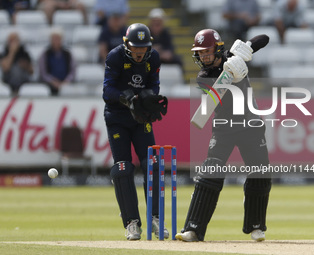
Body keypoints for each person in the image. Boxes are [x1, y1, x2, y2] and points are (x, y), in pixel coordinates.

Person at [175, 29, 271, 242]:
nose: (204, 56)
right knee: (211, 172)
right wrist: (228, 78)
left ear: (218, 49)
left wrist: (246, 48)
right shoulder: (203, 77)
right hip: (224, 127)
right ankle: (193, 229)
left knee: (260, 171)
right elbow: (216, 102)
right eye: (200, 53)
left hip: (251, 123)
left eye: (207, 51)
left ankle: (256, 226)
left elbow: (264, 38)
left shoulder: (232, 57)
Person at [102, 23, 168, 240]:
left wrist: (148, 98)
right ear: (126, 43)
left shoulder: (153, 57)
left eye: (143, 47)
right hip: (118, 118)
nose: (140, 52)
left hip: (140, 118)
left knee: (154, 163)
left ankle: (156, 218)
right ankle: (132, 223)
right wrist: (127, 97)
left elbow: (154, 84)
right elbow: (107, 90)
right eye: (135, 47)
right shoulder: (115, 57)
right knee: (123, 168)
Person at [38, 28, 76, 95]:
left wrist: (66, 81)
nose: (56, 41)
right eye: (54, 39)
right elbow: (43, 73)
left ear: (61, 40)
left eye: (58, 39)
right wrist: (53, 81)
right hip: (49, 85)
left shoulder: (68, 54)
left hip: (66, 84)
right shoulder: (45, 54)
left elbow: (72, 71)